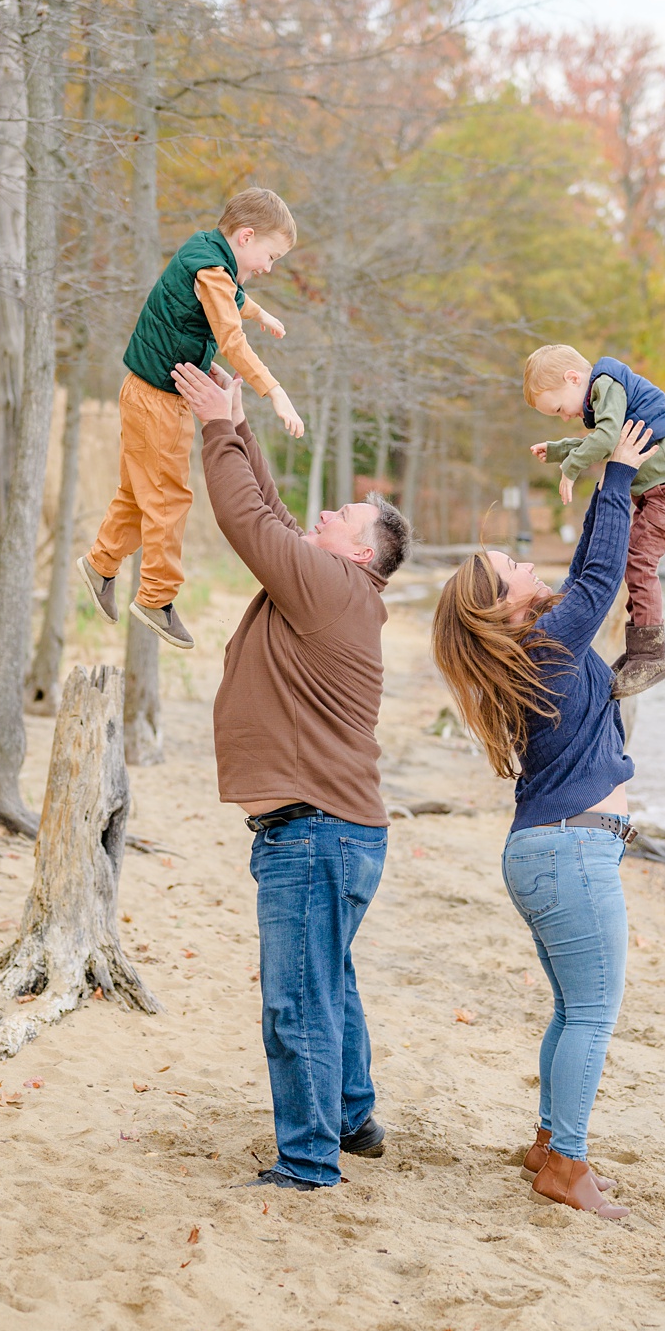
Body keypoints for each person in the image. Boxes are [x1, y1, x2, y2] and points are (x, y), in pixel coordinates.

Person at [171, 360, 412, 1193]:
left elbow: (247, 521)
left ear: (360, 548)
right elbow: (271, 512)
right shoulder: (334, 584)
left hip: (316, 834)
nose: (320, 514)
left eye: (340, 514)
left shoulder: (335, 587)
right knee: (328, 981)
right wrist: (237, 422)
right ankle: (351, 1117)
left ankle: (309, 1163)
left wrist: (213, 429)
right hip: (328, 832)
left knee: (297, 1002)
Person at [430, 414, 658, 1219]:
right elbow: (598, 582)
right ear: (507, 604)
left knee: (572, 1010)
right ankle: (565, 1164)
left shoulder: (530, 653)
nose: (531, 565)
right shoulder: (547, 646)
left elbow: (587, 578)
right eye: (514, 566)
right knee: (591, 1015)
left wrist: (599, 473)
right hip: (570, 853)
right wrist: (619, 474)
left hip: (546, 851)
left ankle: (547, 1143)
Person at [80, 189, 307, 651]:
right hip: (157, 400)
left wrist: (261, 312)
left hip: (148, 392)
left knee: (137, 493)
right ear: (245, 238)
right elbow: (230, 336)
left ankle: (100, 565)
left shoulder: (205, 251)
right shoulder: (211, 269)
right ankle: (156, 600)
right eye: (270, 255)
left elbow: (229, 296)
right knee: (169, 500)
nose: (269, 266)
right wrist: (276, 392)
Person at [523, 344, 665, 697]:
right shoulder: (603, 394)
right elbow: (605, 438)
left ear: (573, 378)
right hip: (659, 491)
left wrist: (569, 469)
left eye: (559, 408)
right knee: (633, 560)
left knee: (639, 562)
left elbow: (605, 440)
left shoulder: (606, 385)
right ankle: (639, 649)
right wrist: (558, 450)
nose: (563, 417)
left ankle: (650, 652)